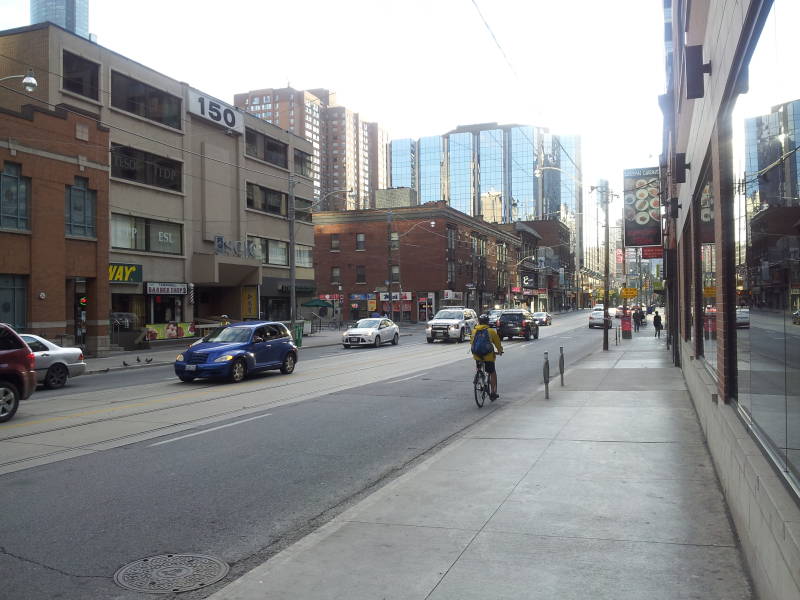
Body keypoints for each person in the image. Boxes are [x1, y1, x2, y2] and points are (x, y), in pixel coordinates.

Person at [470, 314, 504, 400]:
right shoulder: (491, 331)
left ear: (479, 322)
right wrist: (499, 351)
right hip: (488, 356)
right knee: (492, 372)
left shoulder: (474, 331)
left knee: (479, 366)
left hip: (477, 355)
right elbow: (497, 343)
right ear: (487, 322)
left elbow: (472, 342)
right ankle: (493, 392)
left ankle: (479, 375)